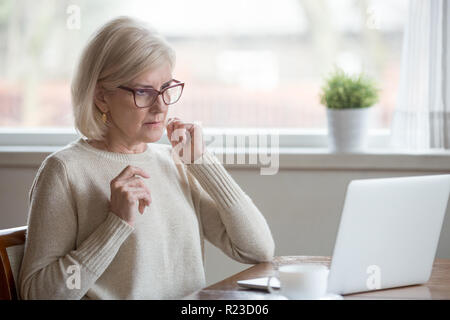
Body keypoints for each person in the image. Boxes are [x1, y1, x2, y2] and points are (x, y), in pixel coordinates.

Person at [18, 16, 275, 300]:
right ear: (102, 98)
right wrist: (115, 225)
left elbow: (257, 249)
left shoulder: (177, 163)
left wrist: (202, 163)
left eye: (166, 89)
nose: (160, 107)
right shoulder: (65, 171)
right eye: (143, 92)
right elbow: (38, 294)